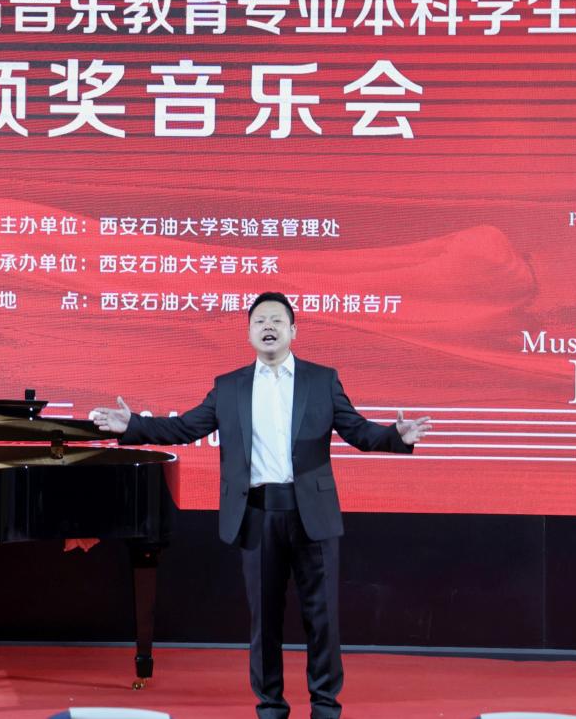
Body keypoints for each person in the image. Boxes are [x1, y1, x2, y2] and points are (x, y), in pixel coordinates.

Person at [90, 292, 428, 719]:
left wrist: (396, 436)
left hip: (312, 516)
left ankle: (325, 707)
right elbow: (185, 428)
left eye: (277, 320)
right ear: (249, 333)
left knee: (322, 619)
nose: (268, 326)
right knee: (264, 622)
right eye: (260, 321)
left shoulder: (322, 380)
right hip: (256, 515)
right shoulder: (229, 387)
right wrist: (133, 426)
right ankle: (270, 707)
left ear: (293, 331)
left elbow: (358, 431)